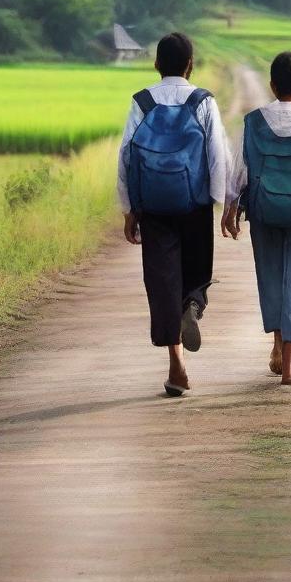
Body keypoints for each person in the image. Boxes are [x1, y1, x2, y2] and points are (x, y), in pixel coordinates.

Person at [118, 32, 230, 397]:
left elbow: (126, 156)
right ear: (191, 65)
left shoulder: (142, 102)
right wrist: (219, 201)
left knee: (163, 281)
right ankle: (194, 305)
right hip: (194, 203)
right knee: (195, 275)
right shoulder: (203, 101)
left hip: (153, 204)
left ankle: (176, 364)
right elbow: (217, 154)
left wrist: (130, 207)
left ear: (156, 64)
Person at [223, 52, 291, 384]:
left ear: (272, 85)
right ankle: (288, 365)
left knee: (270, 278)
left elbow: (239, 170)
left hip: (262, 210)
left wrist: (231, 208)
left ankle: (274, 346)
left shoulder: (253, 121)